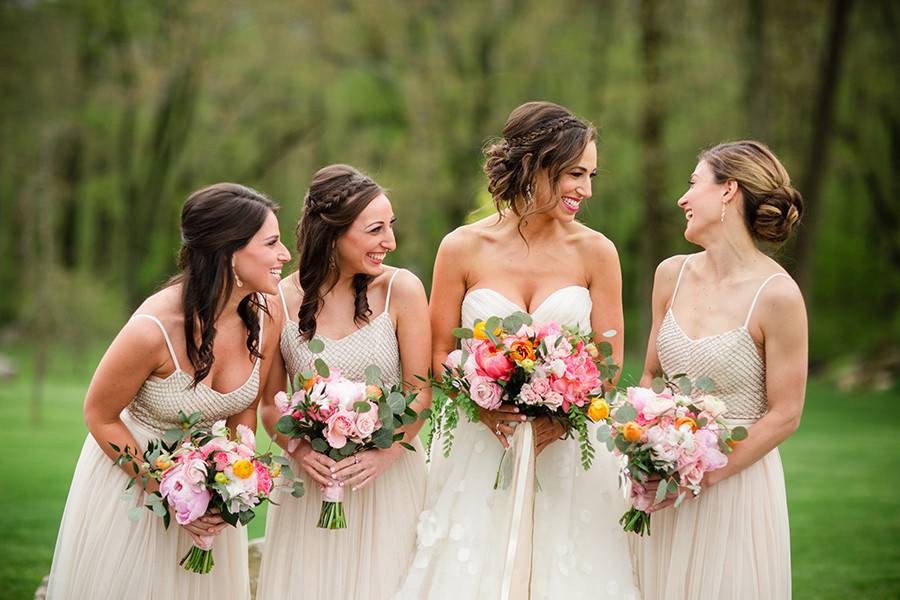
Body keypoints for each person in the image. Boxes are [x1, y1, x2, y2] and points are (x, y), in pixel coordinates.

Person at [396, 101, 639, 600]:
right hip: (480, 444)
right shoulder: (461, 247)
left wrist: (563, 415)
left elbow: (607, 364)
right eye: (575, 173)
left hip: (570, 449)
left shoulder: (597, 251)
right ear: (535, 165)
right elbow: (440, 351)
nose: (586, 190)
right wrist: (480, 404)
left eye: (591, 175)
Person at [46, 183, 290, 599]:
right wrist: (170, 494)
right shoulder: (153, 330)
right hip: (135, 489)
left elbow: (243, 414)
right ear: (230, 253)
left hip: (212, 495)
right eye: (272, 242)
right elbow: (99, 415)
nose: (285, 254)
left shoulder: (267, 317)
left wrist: (232, 486)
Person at [633, 140, 808, 599]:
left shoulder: (778, 296)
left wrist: (704, 473)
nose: (682, 198)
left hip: (735, 489)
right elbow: (650, 378)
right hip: (663, 485)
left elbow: (785, 414)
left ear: (728, 190)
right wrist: (643, 452)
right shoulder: (671, 274)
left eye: (694, 184)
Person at [256, 165, 430, 600]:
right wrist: (297, 448)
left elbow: (421, 391)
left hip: (388, 477)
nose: (389, 241)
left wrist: (385, 454)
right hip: (310, 483)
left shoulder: (401, 289)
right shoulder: (278, 298)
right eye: (375, 230)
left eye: (390, 227)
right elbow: (269, 404)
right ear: (332, 234)